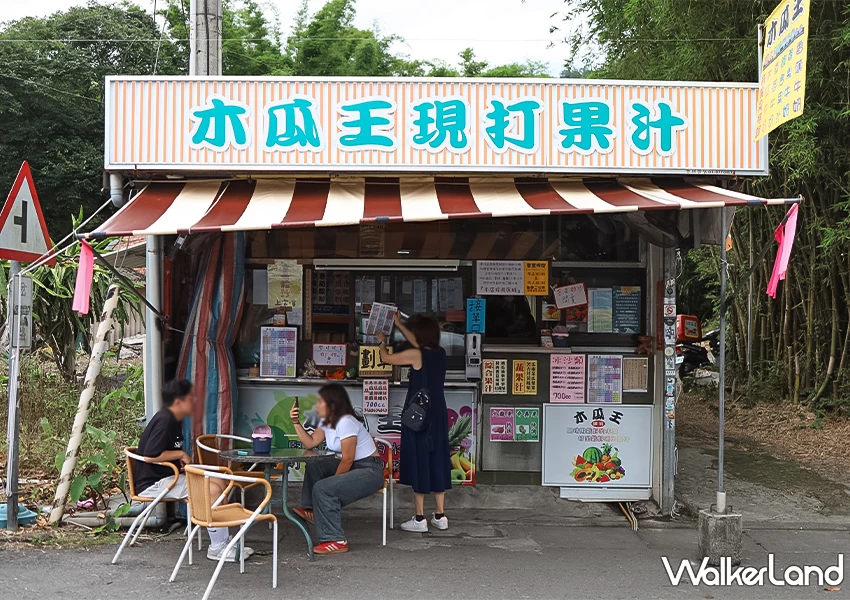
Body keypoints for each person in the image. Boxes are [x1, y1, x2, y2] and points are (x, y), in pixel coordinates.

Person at [135, 379, 252, 562]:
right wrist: (179, 454)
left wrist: (179, 458)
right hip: (154, 482)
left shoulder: (173, 419)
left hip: (170, 476)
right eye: (190, 398)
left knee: (219, 480)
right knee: (211, 490)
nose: (194, 402)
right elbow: (150, 455)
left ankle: (224, 540)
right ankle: (216, 547)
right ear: (178, 402)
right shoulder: (165, 420)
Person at [377, 313, 451, 532]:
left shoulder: (415, 354)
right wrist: (399, 324)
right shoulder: (441, 353)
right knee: (437, 458)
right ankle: (440, 516)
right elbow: (417, 343)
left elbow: (386, 358)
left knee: (420, 460)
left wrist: (382, 342)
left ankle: (419, 519)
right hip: (438, 414)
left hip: (419, 417)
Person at [290, 383, 384, 555]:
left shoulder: (345, 422)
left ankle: (336, 540)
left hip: (370, 470)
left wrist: (332, 483)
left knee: (324, 488)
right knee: (314, 463)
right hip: (355, 466)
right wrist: (295, 422)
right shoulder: (327, 422)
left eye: (320, 402)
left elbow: (348, 459)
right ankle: (310, 509)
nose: (316, 405)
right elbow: (310, 443)